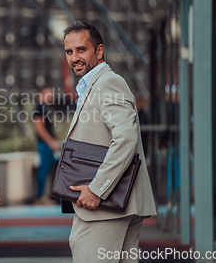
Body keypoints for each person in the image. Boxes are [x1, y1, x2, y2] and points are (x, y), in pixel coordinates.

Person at [59, 21, 157, 262]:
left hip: (106, 208)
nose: (74, 58)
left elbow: (126, 139)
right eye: (69, 52)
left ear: (99, 51)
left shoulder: (108, 83)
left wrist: (97, 190)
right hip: (116, 206)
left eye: (82, 50)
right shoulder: (92, 86)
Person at [32, 87, 61, 204]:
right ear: (41, 94)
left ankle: (47, 195)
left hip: (47, 144)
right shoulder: (39, 109)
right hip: (45, 144)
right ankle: (41, 196)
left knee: (48, 167)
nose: (51, 96)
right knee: (44, 168)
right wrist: (51, 142)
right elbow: (40, 128)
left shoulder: (45, 108)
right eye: (48, 94)